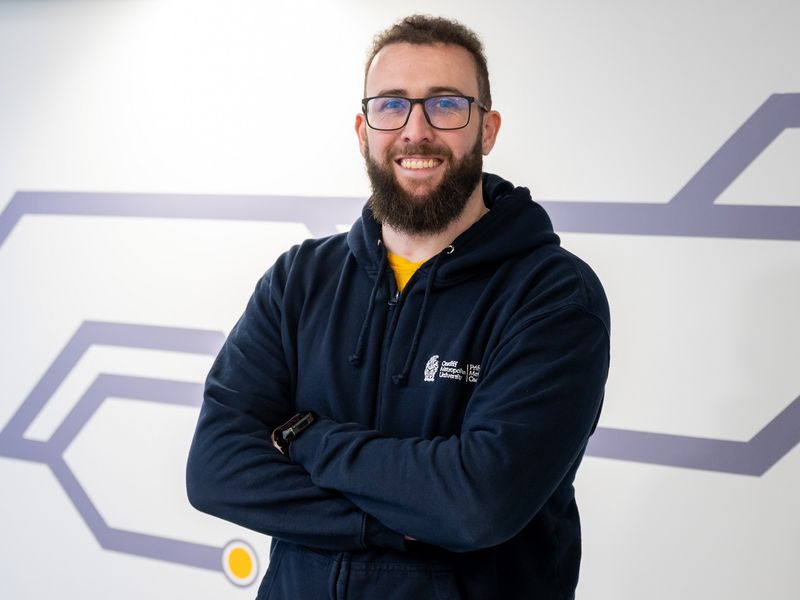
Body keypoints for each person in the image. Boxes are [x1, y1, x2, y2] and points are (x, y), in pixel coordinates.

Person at [187, 14, 610, 600]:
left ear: (487, 130)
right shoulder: (299, 280)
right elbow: (216, 470)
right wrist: (386, 524)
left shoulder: (553, 297)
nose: (416, 130)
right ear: (363, 130)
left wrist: (307, 439)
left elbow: (477, 505)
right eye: (392, 106)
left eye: (446, 105)